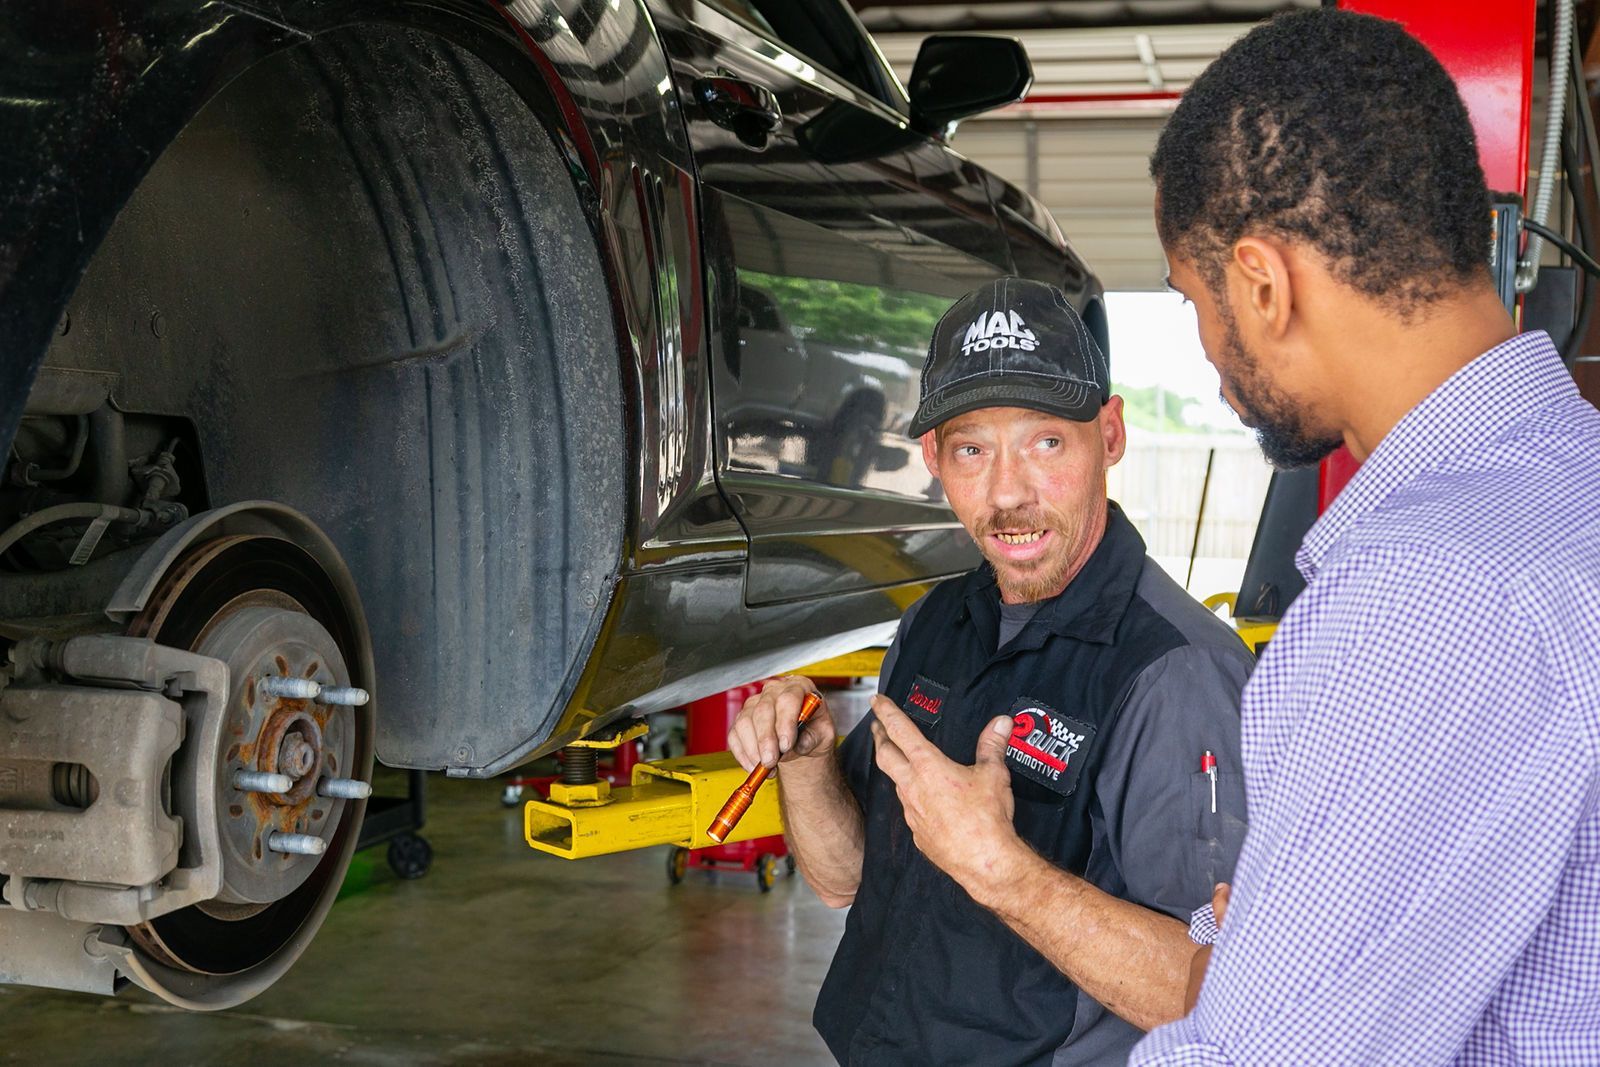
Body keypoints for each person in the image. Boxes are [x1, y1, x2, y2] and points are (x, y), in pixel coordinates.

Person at [1130, 10, 1600, 1064]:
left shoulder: (1430, 595)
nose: (1207, 346)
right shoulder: (1571, 487)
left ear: (1261, 282)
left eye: (1195, 297)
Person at [728, 277, 1255, 1065]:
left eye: (1046, 442)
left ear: (1109, 435)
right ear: (935, 457)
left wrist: (1003, 869)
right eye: (973, 449)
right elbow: (845, 880)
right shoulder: (935, 625)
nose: (1008, 493)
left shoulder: (1176, 673)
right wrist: (807, 767)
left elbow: (1216, 990)